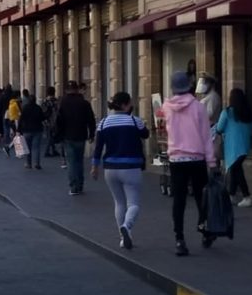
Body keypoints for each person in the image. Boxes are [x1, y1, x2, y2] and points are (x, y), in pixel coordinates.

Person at [162, 72, 217, 257]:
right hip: (196, 158)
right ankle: (204, 230)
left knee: (179, 200)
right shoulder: (198, 107)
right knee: (200, 198)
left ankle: (179, 238)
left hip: (176, 159)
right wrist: (211, 161)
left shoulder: (166, 107)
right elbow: (206, 136)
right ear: (189, 86)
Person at [91, 92, 149, 250]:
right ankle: (127, 226)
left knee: (119, 202)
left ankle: (123, 237)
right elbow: (146, 134)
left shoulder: (103, 123)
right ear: (124, 105)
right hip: (131, 167)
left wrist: (94, 167)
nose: (131, 106)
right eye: (130, 103)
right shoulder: (134, 121)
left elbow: (98, 148)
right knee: (134, 203)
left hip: (110, 168)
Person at [215, 88, 252, 208]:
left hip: (233, 147)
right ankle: (231, 195)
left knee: (237, 171)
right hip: (245, 146)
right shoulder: (248, 113)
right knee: (235, 169)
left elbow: (219, 128)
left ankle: (246, 196)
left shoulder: (227, 112)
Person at [56, 81, 96, 196]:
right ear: (77, 89)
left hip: (68, 136)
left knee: (71, 162)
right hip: (81, 135)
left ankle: (73, 187)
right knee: (79, 161)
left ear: (67, 90)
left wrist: (59, 135)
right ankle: (80, 185)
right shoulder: (84, 103)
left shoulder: (63, 103)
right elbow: (91, 120)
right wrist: (91, 134)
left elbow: (59, 121)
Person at [18, 95, 45, 169]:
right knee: (36, 148)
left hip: (27, 130)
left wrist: (18, 129)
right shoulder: (38, 108)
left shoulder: (25, 108)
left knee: (28, 147)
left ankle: (28, 163)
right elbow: (42, 118)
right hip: (37, 129)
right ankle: (37, 163)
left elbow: (21, 119)